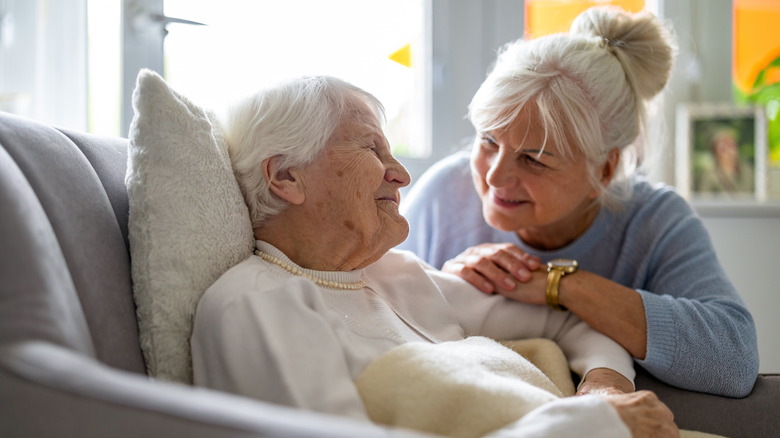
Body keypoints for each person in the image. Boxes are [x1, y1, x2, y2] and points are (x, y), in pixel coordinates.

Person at [190, 74, 678, 437]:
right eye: (372, 149)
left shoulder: (396, 274)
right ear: (286, 177)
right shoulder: (256, 303)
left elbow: (573, 323)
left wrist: (605, 388)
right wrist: (591, 425)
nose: (400, 174)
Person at [398, 6, 758, 398]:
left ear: (604, 171)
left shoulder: (655, 221)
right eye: (488, 141)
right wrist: (443, 287)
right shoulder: (443, 196)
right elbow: (372, 317)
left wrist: (560, 285)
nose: (494, 176)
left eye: (533, 159)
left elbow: (734, 360)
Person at [696, 125, 755, 194]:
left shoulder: (749, 171)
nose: (728, 150)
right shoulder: (708, 177)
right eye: (722, 145)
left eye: (730, 144)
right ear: (714, 151)